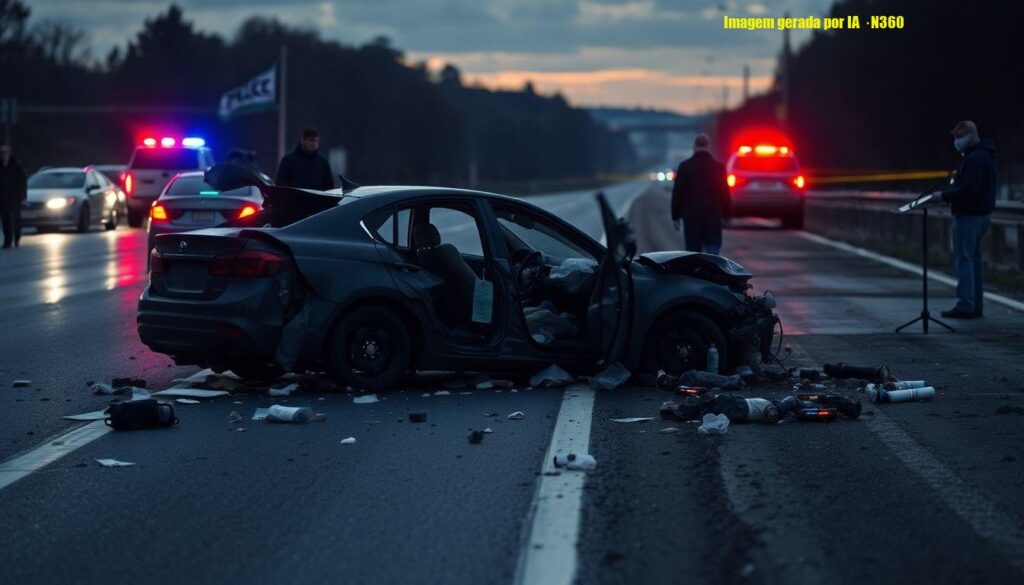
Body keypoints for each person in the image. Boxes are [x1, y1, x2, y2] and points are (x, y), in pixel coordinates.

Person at [933, 120, 997, 319]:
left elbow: (969, 190)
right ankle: (975, 304)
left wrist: (945, 196)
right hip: (982, 215)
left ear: (970, 135)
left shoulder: (974, 159)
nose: (956, 141)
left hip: (969, 215)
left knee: (964, 258)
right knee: (974, 260)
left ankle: (966, 304)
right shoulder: (985, 155)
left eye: (959, 137)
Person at [671, 133, 731, 255]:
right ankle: (711, 272)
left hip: (691, 216)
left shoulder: (685, 166)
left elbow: (678, 193)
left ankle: (696, 273)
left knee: (693, 252)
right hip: (713, 215)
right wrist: (727, 215)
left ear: (694, 146)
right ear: (709, 146)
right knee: (713, 249)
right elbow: (725, 193)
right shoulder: (719, 167)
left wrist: (675, 216)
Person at [0, 143, 27, 249]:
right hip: (2, 197)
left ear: (9, 153)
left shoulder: (16, 165)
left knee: (17, 218)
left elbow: (22, 181)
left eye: (4, 152)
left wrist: (23, 196)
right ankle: (7, 240)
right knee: (5, 219)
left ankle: (17, 236)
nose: (3, 155)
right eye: (1, 153)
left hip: (15, 197)